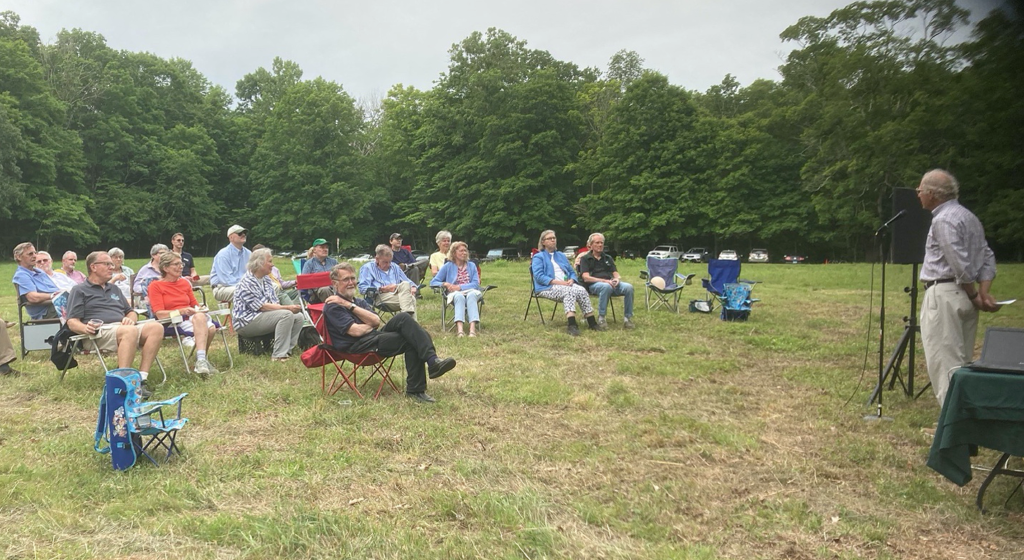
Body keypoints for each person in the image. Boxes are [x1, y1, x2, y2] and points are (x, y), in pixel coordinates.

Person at [917, 169, 1000, 406]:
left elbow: (957, 262)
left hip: (945, 295)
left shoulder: (943, 219)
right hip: (964, 298)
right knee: (962, 364)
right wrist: (983, 291)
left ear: (932, 194)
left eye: (920, 189)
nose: (918, 194)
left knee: (945, 365)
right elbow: (987, 256)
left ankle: (951, 429)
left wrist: (975, 293)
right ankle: (964, 420)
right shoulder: (969, 217)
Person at [323, 263, 457, 403]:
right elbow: (355, 331)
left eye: (352, 278)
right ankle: (416, 389)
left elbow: (376, 321)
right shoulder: (333, 306)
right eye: (346, 279)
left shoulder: (359, 302)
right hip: (356, 346)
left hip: (372, 337)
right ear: (335, 284)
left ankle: (432, 361)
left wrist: (351, 307)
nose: (351, 283)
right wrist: (361, 317)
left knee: (404, 318)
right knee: (411, 339)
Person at [66, 251, 164, 397]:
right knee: (129, 331)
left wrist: (131, 318)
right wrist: (85, 328)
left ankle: (141, 379)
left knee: (156, 327)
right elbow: (72, 322)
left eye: (111, 264)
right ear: (93, 267)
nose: (111, 267)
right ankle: (123, 384)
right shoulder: (79, 290)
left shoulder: (114, 289)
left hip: (122, 328)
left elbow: (130, 311)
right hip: (98, 332)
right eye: (107, 264)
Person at [148, 251, 219, 375]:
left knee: (207, 324)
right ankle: (202, 360)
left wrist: (200, 308)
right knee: (209, 328)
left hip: (192, 318)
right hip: (173, 321)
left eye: (181, 263)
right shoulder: (156, 286)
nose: (181, 266)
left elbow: (194, 304)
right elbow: (159, 314)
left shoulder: (184, 283)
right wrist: (182, 311)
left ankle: (201, 360)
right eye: (176, 264)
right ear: (165, 268)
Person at [232, 248, 305, 362]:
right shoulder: (247, 282)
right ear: (259, 263)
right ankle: (278, 355)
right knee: (286, 315)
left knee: (298, 317)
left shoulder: (266, 279)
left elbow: (273, 301)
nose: (273, 264)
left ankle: (287, 350)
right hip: (246, 322)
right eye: (270, 261)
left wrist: (288, 309)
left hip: (262, 316)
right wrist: (287, 308)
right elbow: (262, 307)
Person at [531, 229, 598, 336]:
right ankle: (572, 325)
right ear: (543, 242)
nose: (553, 240)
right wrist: (558, 282)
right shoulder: (538, 257)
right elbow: (539, 276)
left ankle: (592, 322)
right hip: (546, 287)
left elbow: (571, 272)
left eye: (554, 238)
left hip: (566, 284)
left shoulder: (561, 255)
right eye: (550, 238)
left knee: (581, 290)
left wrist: (572, 279)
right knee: (569, 291)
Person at [579, 233, 635, 330]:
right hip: (594, 285)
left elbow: (615, 273)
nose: (600, 245)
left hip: (610, 283)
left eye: (602, 243)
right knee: (606, 287)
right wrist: (604, 281)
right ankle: (601, 318)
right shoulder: (585, 258)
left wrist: (617, 279)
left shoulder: (608, 258)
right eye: (597, 243)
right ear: (591, 245)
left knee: (628, 287)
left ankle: (627, 318)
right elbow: (586, 277)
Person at [430, 241, 483, 337]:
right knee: (459, 296)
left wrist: (460, 287)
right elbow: (433, 282)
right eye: (461, 251)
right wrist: (445, 283)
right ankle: (460, 330)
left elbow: (475, 283)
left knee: (471, 295)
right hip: (455, 294)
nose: (464, 253)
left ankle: (472, 330)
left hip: (471, 291)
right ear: (454, 253)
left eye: (465, 251)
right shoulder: (448, 266)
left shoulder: (471, 265)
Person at [358, 244, 418, 316]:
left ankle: (406, 318)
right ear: (377, 259)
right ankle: (408, 321)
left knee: (405, 284)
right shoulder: (368, 268)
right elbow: (362, 288)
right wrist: (382, 289)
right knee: (411, 299)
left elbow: (408, 281)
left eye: (390, 261)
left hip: (398, 293)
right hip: (380, 296)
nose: (388, 264)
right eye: (385, 262)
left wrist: (413, 287)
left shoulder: (395, 266)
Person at [12, 242, 61, 320]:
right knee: (78, 306)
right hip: (46, 311)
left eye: (35, 253)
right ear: (19, 257)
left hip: (56, 304)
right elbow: (33, 298)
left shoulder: (39, 271)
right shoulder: (21, 275)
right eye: (30, 254)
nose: (35, 256)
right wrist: (55, 296)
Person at [210, 225, 252, 302]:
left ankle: (274, 311)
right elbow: (226, 280)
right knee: (248, 292)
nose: (243, 234)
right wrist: (248, 286)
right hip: (222, 288)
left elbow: (253, 274)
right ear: (231, 237)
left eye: (244, 232)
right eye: (239, 233)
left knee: (273, 287)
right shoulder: (223, 255)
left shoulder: (249, 253)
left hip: (243, 286)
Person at [300, 238, 337, 303]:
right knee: (325, 289)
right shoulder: (309, 264)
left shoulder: (333, 262)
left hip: (334, 289)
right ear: (314, 250)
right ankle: (335, 309)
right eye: (322, 247)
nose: (325, 249)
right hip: (316, 294)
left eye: (326, 247)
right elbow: (304, 282)